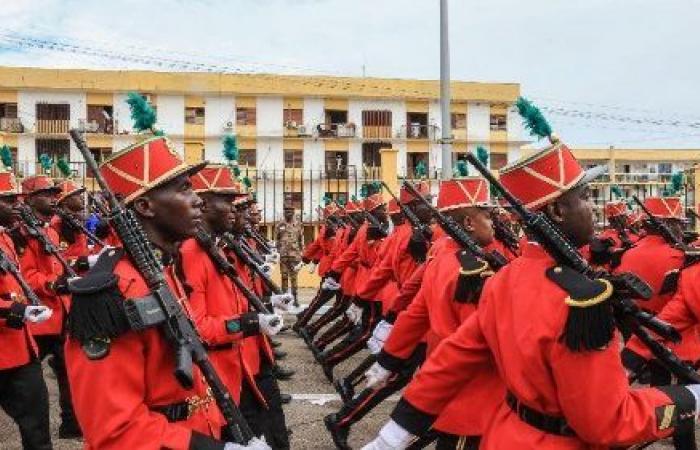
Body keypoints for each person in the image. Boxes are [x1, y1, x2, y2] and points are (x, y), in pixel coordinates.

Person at [363, 141, 700, 450]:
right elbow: (607, 422)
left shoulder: (505, 278)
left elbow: (453, 358)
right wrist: (687, 400)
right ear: (556, 212)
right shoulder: (578, 301)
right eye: (583, 196)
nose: (591, 207)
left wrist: (396, 431)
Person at [64, 136, 267, 449]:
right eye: (184, 188)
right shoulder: (111, 293)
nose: (198, 198)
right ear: (145, 206)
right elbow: (114, 430)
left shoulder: (164, 271)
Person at [16, 174, 81, 439]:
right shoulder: (19, 233)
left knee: (68, 372)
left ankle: (70, 424)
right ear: (30, 199)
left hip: (60, 313)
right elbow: (24, 275)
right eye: (46, 194)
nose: (54, 198)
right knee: (23, 381)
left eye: (54, 194)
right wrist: (54, 284)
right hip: (36, 317)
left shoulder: (51, 230)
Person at [0, 170, 54, 450]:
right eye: (7, 199)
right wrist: (15, 310)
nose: (16, 205)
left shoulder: (6, 239)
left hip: (20, 350)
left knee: (37, 429)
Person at [274, 205, 303, 306]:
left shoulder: (298, 224)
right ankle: (285, 300)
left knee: (294, 278)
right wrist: (278, 252)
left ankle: (295, 299)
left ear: (294, 212)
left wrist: (301, 254)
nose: (288, 213)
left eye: (290, 211)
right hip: (283, 256)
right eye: (286, 211)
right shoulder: (279, 225)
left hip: (295, 256)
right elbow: (277, 240)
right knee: (284, 277)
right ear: (284, 212)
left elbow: (300, 240)